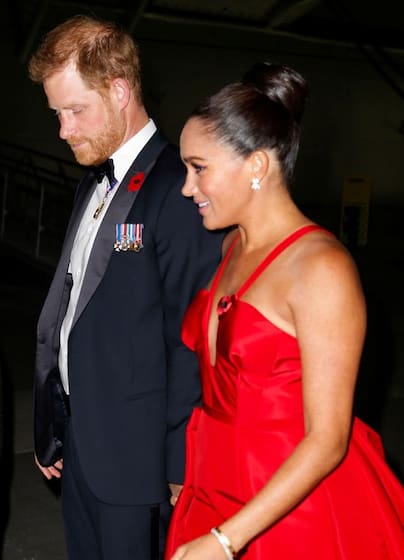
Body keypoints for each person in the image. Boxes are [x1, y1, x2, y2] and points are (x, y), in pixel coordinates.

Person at [165, 62, 404, 560]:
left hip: (292, 504)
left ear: (257, 166)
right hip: (212, 486)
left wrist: (225, 541)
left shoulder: (322, 268)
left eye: (199, 168)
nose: (186, 188)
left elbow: (328, 439)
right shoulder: (229, 248)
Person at [28, 15, 224, 560]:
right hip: (81, 446)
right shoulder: (90, 182)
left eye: (74, 111)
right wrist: (53, 422)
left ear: (118, 91)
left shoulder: (178, 189)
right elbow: (73, 313)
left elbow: (192, 337)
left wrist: (180, 466)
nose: (63, 130)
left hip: (140, 464)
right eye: (57, 114)